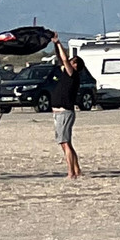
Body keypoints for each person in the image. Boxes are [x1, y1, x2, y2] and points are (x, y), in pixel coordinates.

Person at [49, 32, 82, 179]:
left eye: (72, 61)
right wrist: (55, 45)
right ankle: (76, 170)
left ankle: (71, 173)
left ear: (76, 66)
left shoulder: (72, 74)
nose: (69, 61)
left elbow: (63, 58)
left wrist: (59, 42)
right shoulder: (66, 73)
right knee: (65, 143)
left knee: (65, 143)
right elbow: (60, 58)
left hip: (64, 113)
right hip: (58, 113)